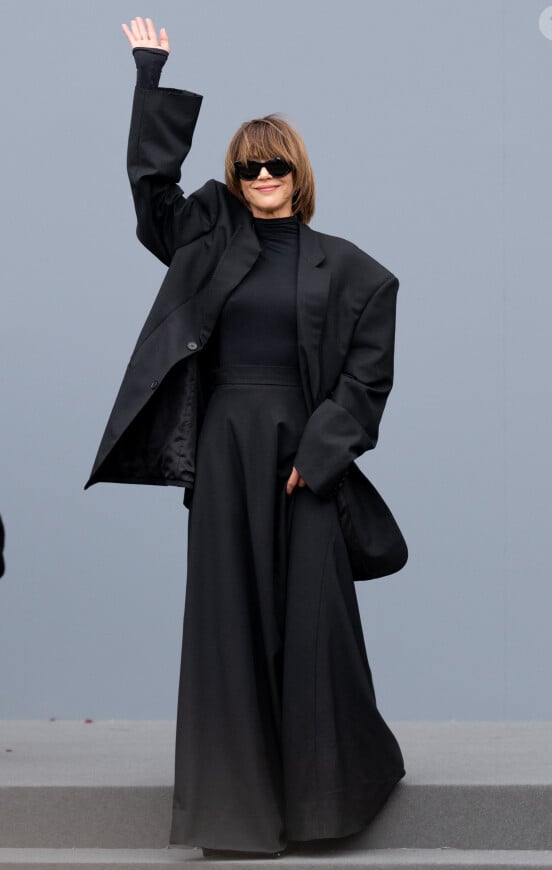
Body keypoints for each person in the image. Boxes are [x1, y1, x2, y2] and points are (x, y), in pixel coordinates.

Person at [89, 15, 405, 859]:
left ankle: (327, 807)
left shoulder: (361, 273)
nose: (263, 176)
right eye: (247, 167)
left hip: (307, 460)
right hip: (226, 452)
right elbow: (152, 190)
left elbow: (365, 381)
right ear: (233, 178)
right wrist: (149, 77)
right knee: (226, 628)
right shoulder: (206, 243)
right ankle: (234, 819)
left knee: (313, 627)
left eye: (277, 165)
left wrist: (321, 452)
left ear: (299, 174)